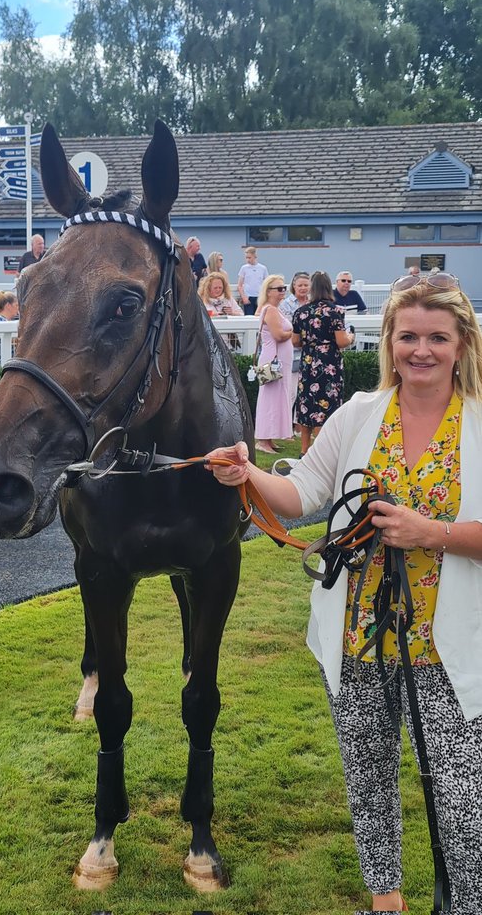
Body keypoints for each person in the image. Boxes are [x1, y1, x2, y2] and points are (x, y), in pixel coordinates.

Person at [206, 272, 482, 915]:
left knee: (461, 795)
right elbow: (302, 493)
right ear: (387, 341)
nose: (421, 350)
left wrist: (430, 532)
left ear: (462, 344)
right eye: (407, 335)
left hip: (449, 645)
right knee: (369, 781)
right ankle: (387, 906)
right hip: (361, 634)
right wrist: (247, 473)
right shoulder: (358, 414)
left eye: (437, 337)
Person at [293, 270, 354, 456]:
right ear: (329, 287)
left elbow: (295, 342)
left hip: (308, 362)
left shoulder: (300, 312)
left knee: (307, 403)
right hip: (328, 363)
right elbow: (342, 341)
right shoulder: (335, 311)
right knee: (325, 404)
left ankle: (304, 449)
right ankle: (321, 452)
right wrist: (351, 336)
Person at [253, 274, 293, 452]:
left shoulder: (274, 309)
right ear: (268, 292)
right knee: (269, 399)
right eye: (278, 289)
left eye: (283, 288)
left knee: (276, 398)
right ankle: (262, 440)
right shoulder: (270, 310)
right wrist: (290, 332)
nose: (282, 292)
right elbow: (279, 335)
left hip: (278, 359)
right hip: (273, 359)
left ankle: (269, 439)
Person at [280, 272, 310, 412]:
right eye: (300, 285)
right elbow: (289, 326)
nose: (303, 288)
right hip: (292, 352)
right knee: (291, 392)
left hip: (309, 352)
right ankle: (285, 426)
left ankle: (298, 426)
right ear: (294, 286)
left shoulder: (312, 302)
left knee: (306, 392)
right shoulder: (286, 304)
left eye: (306, 285)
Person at [237, 247, 268, 315]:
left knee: (260, 316)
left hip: (259, 297)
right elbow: (239, 285)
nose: (248, 260)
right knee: (249, 316)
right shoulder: (244, 268)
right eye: (246, 258)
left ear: (254, 256)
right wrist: (244, 297)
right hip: (248, 297)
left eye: (249, 257)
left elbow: (267, 283)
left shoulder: (263, 268)